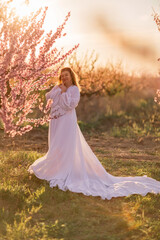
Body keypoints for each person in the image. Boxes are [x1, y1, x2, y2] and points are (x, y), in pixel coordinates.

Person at [28, 67, 160, 200]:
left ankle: (65, 169)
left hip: (67, 122)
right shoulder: (58, 87)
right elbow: (47, 97)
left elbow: (70, 105)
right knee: (55, 143)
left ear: (71, 76)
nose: (64, 78)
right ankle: (55, 167)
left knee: (65, 144)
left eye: (66, 75)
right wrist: (56, 90)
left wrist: (63, 93)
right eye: (62, 76)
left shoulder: (74, 89)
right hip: (56, 120)